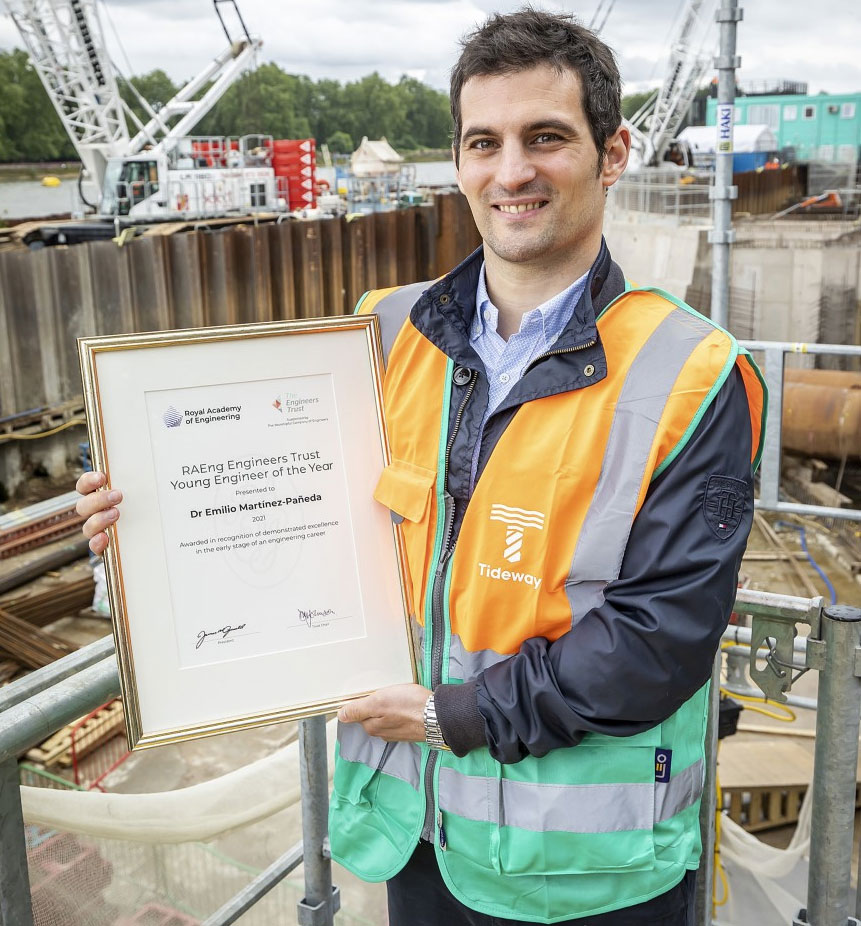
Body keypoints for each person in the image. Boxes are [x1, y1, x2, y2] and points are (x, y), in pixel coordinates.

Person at [77, 8, 766, 925]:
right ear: (458, 161)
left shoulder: (694, 373)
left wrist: (458, 716)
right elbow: (301, 534)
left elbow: (657, 639)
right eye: (483, 143)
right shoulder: (381, 334)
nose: (509, 171)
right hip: (417, 837)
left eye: (545, 138)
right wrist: (146, 530)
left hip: (591, 876)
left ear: (613, 153)